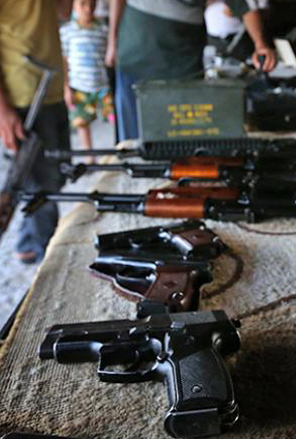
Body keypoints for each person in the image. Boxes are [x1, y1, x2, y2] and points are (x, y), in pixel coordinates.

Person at [106, 0, 278, 141]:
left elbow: (245, 7)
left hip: (182, 68)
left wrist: (260, 44)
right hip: (132, 58)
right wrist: (112, 41)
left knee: (179, 142)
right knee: (132, 144)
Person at [0, 1, 73, 264]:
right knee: (43, 188)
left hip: (51, 87)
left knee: (53, 176)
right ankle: (47, 263)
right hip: (22, 94)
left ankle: (28, 243)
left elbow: (64, 11)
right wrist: (2, 110)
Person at [61, 0, 115, 157]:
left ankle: (115, 152)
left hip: (102, 85)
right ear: (74, 6)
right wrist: (66, 88)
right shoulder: (67, 31)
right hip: (79, 86)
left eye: (92, 4)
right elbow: (64, 61)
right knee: (81, 122)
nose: (88, 9)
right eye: (83, 4)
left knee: (113, 118)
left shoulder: (103, 29)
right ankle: (90, 155)